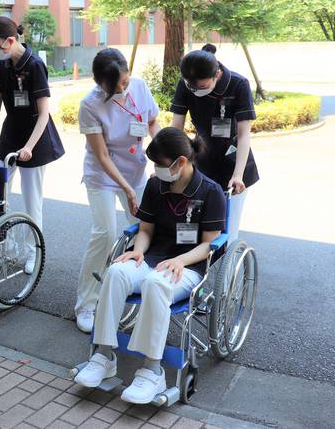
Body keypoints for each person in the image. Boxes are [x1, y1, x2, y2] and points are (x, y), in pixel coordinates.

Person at [73, 127, 226, 405]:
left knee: (156, 283)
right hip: (152, 257)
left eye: (160, 163)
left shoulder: (211, 192)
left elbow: (208, 245)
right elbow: (145, 229)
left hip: (187, 267)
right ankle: (103, 355)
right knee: (116, 272)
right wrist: (138, 251)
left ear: (181, 162)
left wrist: (180, 260)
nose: (155, 169)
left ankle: (153, 371)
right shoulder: (156, 185)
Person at [74, 48, 161, 333]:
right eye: (116, 86)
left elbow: (152, 122)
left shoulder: (140, 86)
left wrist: (165, 151)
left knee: (145, 230)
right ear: (100, 83)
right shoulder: (90, 105)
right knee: (106, 234)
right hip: (103, 174)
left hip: (135, 169)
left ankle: (139, 289)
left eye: (125, 81)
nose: (123, 89)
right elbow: (101, 155)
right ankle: (86, 304)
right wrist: (127, 189)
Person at [0, 17, 64, 273]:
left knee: (31, 200)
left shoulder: (35, 65)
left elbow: (44, 114)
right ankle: (4, 247)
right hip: (10, 134)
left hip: (35, 138)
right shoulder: (3, 65)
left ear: (10, 41)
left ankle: (33, 251)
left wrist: (29, 147)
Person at [170, 43, 258, 241]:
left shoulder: (238, 84)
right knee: (192, 223)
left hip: (233, 163)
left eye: (202, 87)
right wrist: (170, 163)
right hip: (201, 160)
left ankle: (223, 260)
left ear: (217, 75)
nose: (195, 91)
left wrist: (238, 175)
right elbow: (176, 128)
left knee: (226, 230)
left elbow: (244, 135)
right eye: (191, 87)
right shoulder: (186, 83)